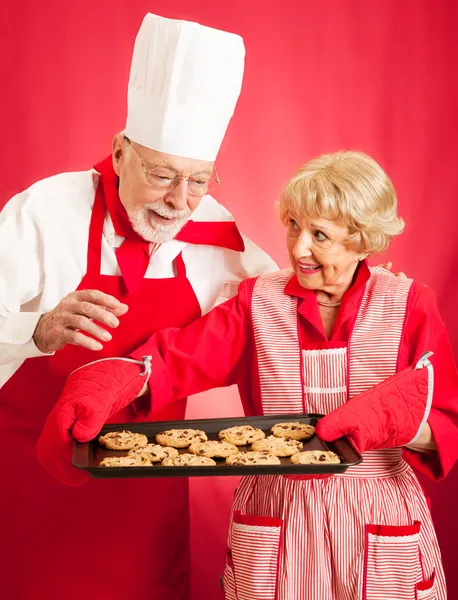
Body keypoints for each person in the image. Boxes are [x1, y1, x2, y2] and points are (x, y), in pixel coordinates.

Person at [40, 151, 458, 599]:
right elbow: (177, 358)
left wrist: (389, 419)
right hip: (276, 515)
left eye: (320, 235)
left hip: (378, 520)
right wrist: (107, 382)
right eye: (293, 226)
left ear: (362, 240)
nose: (298, 248)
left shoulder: (410, 304)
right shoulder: (258, 301)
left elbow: (445, 427)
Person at [0, 13, 279, 600]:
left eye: (198, 181)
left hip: (148, 496)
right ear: (120, 151)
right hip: (35, 490)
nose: (180, 201)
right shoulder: (43, 211)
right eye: (162, 175)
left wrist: (362, 286)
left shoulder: (215, 230)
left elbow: (283, 310)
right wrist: (39, 330)